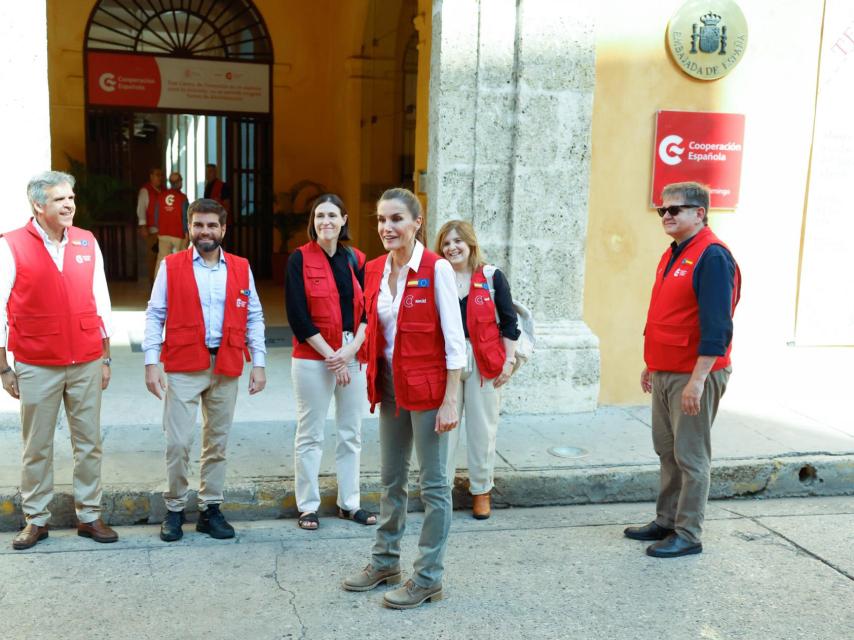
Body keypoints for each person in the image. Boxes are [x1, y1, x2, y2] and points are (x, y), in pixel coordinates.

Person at [343, 188, 465, 609]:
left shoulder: (438, 269)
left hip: (431, 390)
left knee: (434, 487)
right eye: (380, 220)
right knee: (391, 480)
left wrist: (451, 399)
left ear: (417, 223)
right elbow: (372, 328)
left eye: (396, 219)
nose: (386, 227)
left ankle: (428, 577)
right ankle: (385, 562)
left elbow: (454, 341)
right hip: (392, 387)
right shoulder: (374, 269)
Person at [0, 170, 118, 550]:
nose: (69, 205)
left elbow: (101, 301)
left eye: (71, 198)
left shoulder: (86, 241)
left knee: (89, 442)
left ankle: (89, 515)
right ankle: (36, 519)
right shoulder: (11, 245)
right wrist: (3, 366)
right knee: (37, 445)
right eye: (60, 200)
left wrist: (105, 357)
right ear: (38, 205)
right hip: (37, 362)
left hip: (85, 359)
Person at [625, 181, 740, 558]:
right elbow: (671, 315)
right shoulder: (675, 252)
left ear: (699, 213)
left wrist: (698, 380)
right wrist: (651, 364)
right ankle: (666, 520)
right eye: (663, 210)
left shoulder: (713, 257)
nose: (667, 216)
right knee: (667, 450)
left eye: (675, 209)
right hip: (665, 370)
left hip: (693, 375)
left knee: (691, 456)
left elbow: (717, 327)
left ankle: (688, 534)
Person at [143, 198, 267, 543]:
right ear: (189, 228)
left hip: (226, 363)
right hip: (184, 364)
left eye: (212, 225)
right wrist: (151, 363)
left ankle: (211, 508)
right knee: (178, 442)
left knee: (218, 442)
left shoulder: (241, 267)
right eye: (198, 225)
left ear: (224, 229)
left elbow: (254, 315)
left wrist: (259, 362)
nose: (205, 231)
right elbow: (155, 314)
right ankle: (176, 507)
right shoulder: (171, 266)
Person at [285, 194, 376, 531]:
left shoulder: (357, 259)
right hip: (313, 357)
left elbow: (369, 311)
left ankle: (349, 503)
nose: (326, 221)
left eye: (332, 215)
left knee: (351, 433)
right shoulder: (299, 259)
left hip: (350, 353)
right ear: (314, 221)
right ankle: (307, 506)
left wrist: (350, 350)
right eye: (320, 215)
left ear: (344, 219)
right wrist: (332, 356)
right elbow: (297, 316)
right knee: (310, 434)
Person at [435, 220, 519, 520]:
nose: (452, 247)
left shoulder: (491, 275)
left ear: (470, 243)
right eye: (446, 243)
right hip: (448, 362)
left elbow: (510, 323)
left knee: (482, 430)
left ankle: (481, 491)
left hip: (485, 360)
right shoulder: (438, 277)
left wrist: (509, 362)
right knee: (446, 428)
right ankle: (440, 491)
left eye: (458, 241)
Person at [154, 171, 189, 267]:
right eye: (181, 180)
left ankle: (158, 281)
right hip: (178, 234)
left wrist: (159, 228)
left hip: (163, 233)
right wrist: (187, 233)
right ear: (179, 183)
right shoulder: (182, 198)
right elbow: (185, 217)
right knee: (182, 260)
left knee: (162, 260)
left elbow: (156, 216)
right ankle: (180, 281)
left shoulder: (161, 196)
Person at [137, 167, 163, 281]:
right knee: (152, 257)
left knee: (161, 258)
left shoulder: (163, 190)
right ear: (151, 176)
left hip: (163, 231)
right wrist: (142, 226)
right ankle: (153, 283)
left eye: (161, 175)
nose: (160, 178)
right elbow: (141, 209)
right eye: (157, 175)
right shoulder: (145, 190)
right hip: (152, 231)